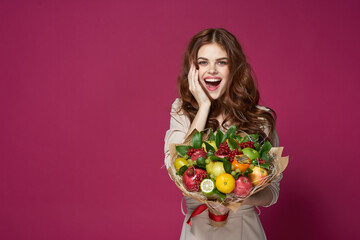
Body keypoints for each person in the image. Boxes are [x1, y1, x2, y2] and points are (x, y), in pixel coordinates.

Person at [164, 28, 282, 240]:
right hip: (196, 232)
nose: (212, 70)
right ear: (193, 69)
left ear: (234, 68)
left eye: (221, 62)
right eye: (203, 62)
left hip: (245, 231)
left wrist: (238, 197)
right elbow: (177, 165)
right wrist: (203, 107)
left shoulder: (260, 118)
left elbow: (271, 192)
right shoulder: (181, 111)